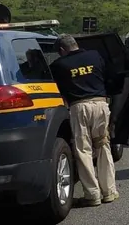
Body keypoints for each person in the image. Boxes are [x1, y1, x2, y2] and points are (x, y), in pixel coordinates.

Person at [49, 34, 119, 207]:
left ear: (62, 50)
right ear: (76, 44)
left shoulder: (58, 65)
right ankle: (109, 191)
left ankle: (92, 195)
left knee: (83, 150)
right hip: (101, 104)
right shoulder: (95, 55)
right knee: (103, 145)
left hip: (79, 108)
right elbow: (111, 77)